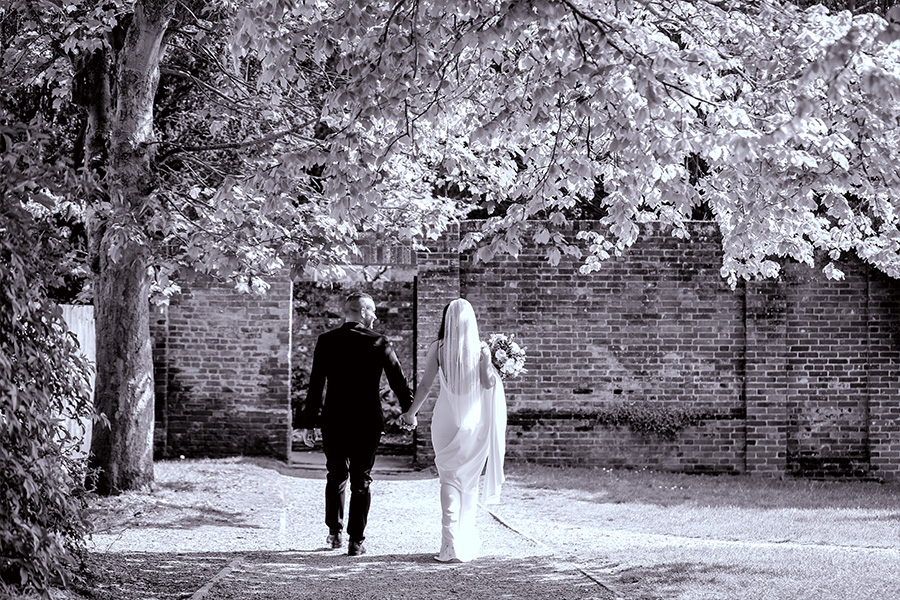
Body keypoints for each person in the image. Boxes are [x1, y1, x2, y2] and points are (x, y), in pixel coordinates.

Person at [299, 292, 414, 556]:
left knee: (335, 475)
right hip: (366, 421)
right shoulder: (379, 342)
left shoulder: (326, 341)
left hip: (334, 420)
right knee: (361, 479)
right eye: (372, 311)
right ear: (362, 312)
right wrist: (410, 412)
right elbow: (398, 381)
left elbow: (316, 385)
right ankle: (356, 541)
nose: (375, 316)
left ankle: (334, 533)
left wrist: (309, 424)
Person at [400, 298, 507, 563]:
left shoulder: (438, 347)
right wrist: (488, 361)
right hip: (474, 423)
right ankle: (463, 541)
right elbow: (487, 383)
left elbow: (424, 386)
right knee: (468, 483)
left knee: (447, 477)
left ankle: (448, 545)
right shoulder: (481, 349)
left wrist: (410, 413)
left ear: (446, 319)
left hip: (445, 420)